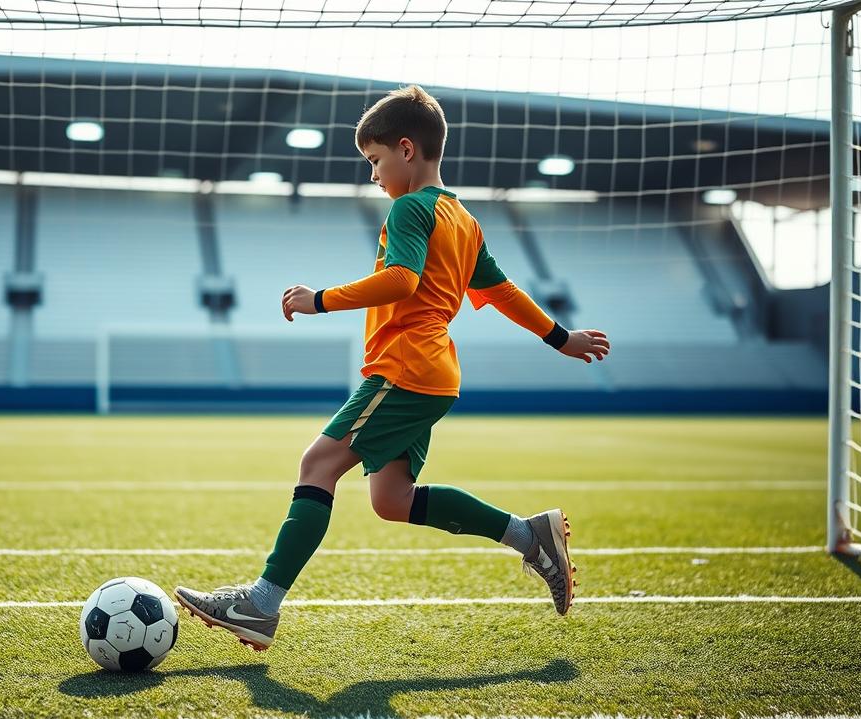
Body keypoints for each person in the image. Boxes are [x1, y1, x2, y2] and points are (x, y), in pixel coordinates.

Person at [174, 84, 611, 650]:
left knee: (317, 464)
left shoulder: (410, 208)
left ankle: (260, 606)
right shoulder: (462, 219)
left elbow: (402, 280)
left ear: (407, 150)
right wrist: (561, 338)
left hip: (404, 368)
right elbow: (501, 291)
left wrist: (320, 299)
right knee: (392, 500)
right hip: (433, 375)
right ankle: (529, 535)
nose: (374, 175)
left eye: (375, 161)